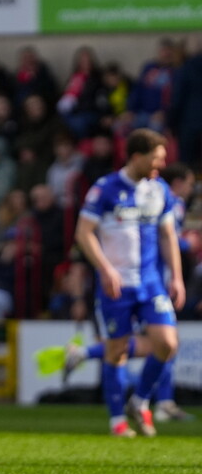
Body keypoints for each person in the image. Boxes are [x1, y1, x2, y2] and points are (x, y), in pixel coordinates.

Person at [63, 162, 195, 422]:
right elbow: (165, 238)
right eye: (189, 185)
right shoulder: (163, 200)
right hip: (130, 284)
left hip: (151, 284)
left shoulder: (156, 196)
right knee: (133, 346)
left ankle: (157, 400)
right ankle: (146, 405)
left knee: (165, 343)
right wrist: (185, 243)